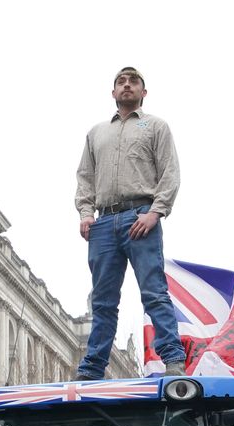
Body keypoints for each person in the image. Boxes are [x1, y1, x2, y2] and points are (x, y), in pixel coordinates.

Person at [74, 66, 185, 380]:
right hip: (103, 223)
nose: (126, 86)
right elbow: (84, 178)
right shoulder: (96, 133)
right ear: (113, 93)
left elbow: (170, 173)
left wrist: (155, 213)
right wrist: (85, 213)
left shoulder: (156, 127)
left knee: (154, 292)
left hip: (141, 218)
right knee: (103, 301)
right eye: (120, 82)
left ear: (143, 93)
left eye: (133, 81)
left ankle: (173, 359)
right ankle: (93, 368)